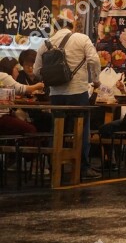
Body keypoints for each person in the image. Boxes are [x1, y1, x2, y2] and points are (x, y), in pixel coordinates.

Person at [33, 17, 102, 179]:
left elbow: (37, 71)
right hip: (78, 92)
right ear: (71, 27)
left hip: (56, 95)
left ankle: (53, 166)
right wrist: (96, 80)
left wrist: (53, 80)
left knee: (57, 128)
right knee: (82, 129)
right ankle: (82, 168)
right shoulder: (81, 38)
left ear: (55, 28)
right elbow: (94, 60)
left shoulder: (45, 44)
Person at [0, 63, 44, 135]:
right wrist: (39, 85)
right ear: (10, 68)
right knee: (31, 129)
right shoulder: (3, 76)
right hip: (2, 117)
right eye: (16, 68)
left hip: (6, 114)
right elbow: (21, 89)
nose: (18, 71)